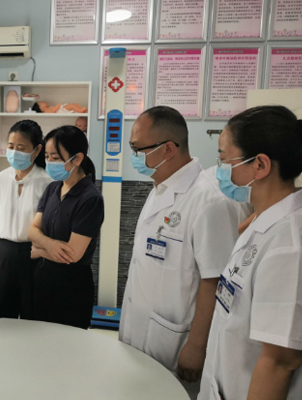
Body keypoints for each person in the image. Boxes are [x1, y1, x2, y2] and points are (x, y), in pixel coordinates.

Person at [118, 106, 241, 397]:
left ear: (168, 149)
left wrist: (197, 346)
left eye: (137, 149)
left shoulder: (209, 200)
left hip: (175, 342)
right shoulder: (160, 187)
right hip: (140, 332)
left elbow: (214, 280)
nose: (133, 156)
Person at [199, 106, 302, 400]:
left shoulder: (289, 248)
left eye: (224, 160)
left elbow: (279, 362)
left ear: (260, 165)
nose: (219, 170)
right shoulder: (261, 220)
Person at [28, 125, 104, 329]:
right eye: (47, 156)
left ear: (77, 159)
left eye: (55, 157)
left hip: (72, 289)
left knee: (68, 345)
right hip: (43, 282)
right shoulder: (53, 188)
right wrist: (50, 245)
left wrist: (40, 250)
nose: (49, 162)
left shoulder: (90, 198)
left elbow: (72, 254)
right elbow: (32, 230)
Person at [0, 120, 52, 319]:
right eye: (11, 146)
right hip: (4, 253)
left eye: (21, 148)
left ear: (37, 150)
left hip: (33, 254)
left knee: (31, 314)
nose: (15, 152)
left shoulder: (48, 182)